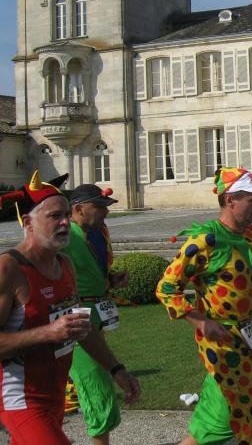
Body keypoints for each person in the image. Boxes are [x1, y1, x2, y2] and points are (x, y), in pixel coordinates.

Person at [0, 171, 139, 444]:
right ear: (28, 222)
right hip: (21, 398)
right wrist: (48, 332)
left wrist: (116, 369)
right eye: (55, 216)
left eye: (66, 214)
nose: (65, 222)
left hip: (54, 395)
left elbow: (81, 328)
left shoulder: (65, 265)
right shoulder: (9, 269)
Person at [156, 166, 252, 445]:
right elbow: (166, 288)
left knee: (226, 410)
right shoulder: (206, 240)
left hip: (245, 334)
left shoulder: (251, 235)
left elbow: (248, 276)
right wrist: (201, 322)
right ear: (230, 200)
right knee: (250, 412)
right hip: (219, 338)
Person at [62, 184, 139, 445]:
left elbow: (88, 273)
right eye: (100, 207)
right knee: (98, 387)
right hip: (77, 320)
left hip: (95, 317)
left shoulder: (96, 234)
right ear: (79, 209)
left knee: (97, 384)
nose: (105, 212)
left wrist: (111, 279)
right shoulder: (64, 236)